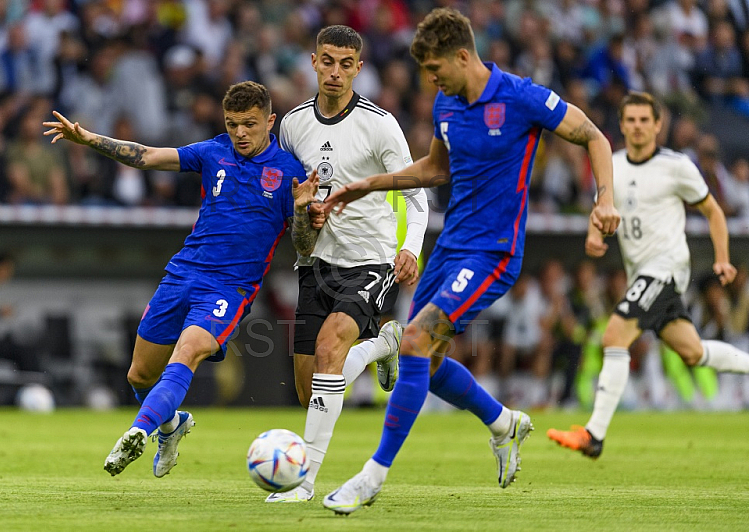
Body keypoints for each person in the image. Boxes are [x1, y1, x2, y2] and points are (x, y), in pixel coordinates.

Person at [319, 8, 620, 513]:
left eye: (436, 70)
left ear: (463, 55)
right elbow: (436, 169)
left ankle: (371, 477)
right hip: (450, 247)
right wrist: (366, 185)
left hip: (493, 253)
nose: (431, 81)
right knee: (427, 363)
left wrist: (604, 198)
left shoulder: (521, 97)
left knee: (413, 342)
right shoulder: (446, 103)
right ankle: (504, 424)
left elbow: (594, 135)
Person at [42, 81, 317, 477]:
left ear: (270, 121)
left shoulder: (289, 171)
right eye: (233, 123)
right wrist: (88, 139)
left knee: (186, 352)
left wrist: (305, 212)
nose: (240, 133)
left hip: (230, 287)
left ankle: (138, 431)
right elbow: (147, 156)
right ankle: (171, 425)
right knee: (139, 374)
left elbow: (304, 245)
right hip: (183, 273)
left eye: (250, 125)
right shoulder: (214, 151)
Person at [265, 25, 429, 503]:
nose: (335, 72)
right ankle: (385, 344)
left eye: (346, 64)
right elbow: (292, 191)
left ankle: (303, 481)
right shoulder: (293, 124)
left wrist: (410, 249)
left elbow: (417, 196)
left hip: (373, 261)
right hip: (315, 263)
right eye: (327, 61)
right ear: (313, 62)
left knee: (330, 350)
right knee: (308, 387)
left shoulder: (380, 124)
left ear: (359, 68)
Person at [547, 91, 749, 458]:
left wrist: (722, 258)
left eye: (645, 120)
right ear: (621, 126)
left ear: (658, 125)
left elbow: (714, 212)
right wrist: (595, 235)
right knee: (693, 352)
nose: (638, 127)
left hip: (667, 268)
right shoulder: (613, 166)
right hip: (640, 273)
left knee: (614, 335)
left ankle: (594, 434)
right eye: (631, 120)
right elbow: (601, 210)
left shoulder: (677, 166)